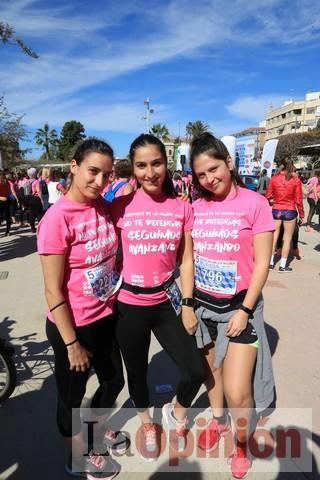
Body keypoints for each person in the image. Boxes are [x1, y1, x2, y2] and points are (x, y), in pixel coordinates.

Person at [37, 138, 127, 479]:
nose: (99, 181)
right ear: (73, 167)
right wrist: (72, 343)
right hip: (72, 326)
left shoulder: (102, 205)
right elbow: (51, 288)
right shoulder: (57, 218)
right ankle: (77, 456)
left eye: (106, 175)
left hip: (105, 317)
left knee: (114, 381)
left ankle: (97, 428)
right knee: (71, 400)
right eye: (92, 171)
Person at [110, 134, 204, 460]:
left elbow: (187, 259)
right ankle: (147, 423)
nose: (150, 172)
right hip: (128, 307)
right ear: (132, 168)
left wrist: (189, 304)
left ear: (166, 163)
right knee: (136, 375)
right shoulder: (118, 207)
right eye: (141, 165)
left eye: (156, 163)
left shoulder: (182, 208)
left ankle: (175, 412)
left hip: (167, 302)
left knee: (195, 372)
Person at [190, 133, 275, 479]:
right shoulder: (195, 208)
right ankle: (218, 420)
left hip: (241, 309)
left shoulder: (255, 203)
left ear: (228, 161)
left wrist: (244, 310)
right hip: (203, 306)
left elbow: (262, 262)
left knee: (239, 391)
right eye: (201, 175)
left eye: (214, 169)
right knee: (214, 378)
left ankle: (242, 442)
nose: (210, 179)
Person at [266, 158, 304, 272]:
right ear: (292, 166)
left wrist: (274, 201)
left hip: (276, 210)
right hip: (290, 210)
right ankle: (283, 265)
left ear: (281, 165)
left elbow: (268, 196)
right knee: (287, 239)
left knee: (274, 237)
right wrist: (302, 214)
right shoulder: (295, 180)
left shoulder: (274, 179)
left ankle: (271, 263)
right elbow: (298, 200)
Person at [0, 170, 11, 236]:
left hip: (6, 201)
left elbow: (8, 192)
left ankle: (8, 231)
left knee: (8, 216)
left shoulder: (7, 183)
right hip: (1, 201)